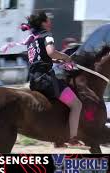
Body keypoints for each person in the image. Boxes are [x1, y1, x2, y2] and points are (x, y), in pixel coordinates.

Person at [23, 11, 85, 148]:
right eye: (48, 20)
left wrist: (57, 60)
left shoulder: (32, 39)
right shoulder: (47, 35)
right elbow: (51, 52)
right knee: (76, 105)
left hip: (33, 80)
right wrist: (66, 58)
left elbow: (42, 58)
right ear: (43, 23)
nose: (50, 23)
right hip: (46, 80)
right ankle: (73, 138)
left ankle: (58, 138)